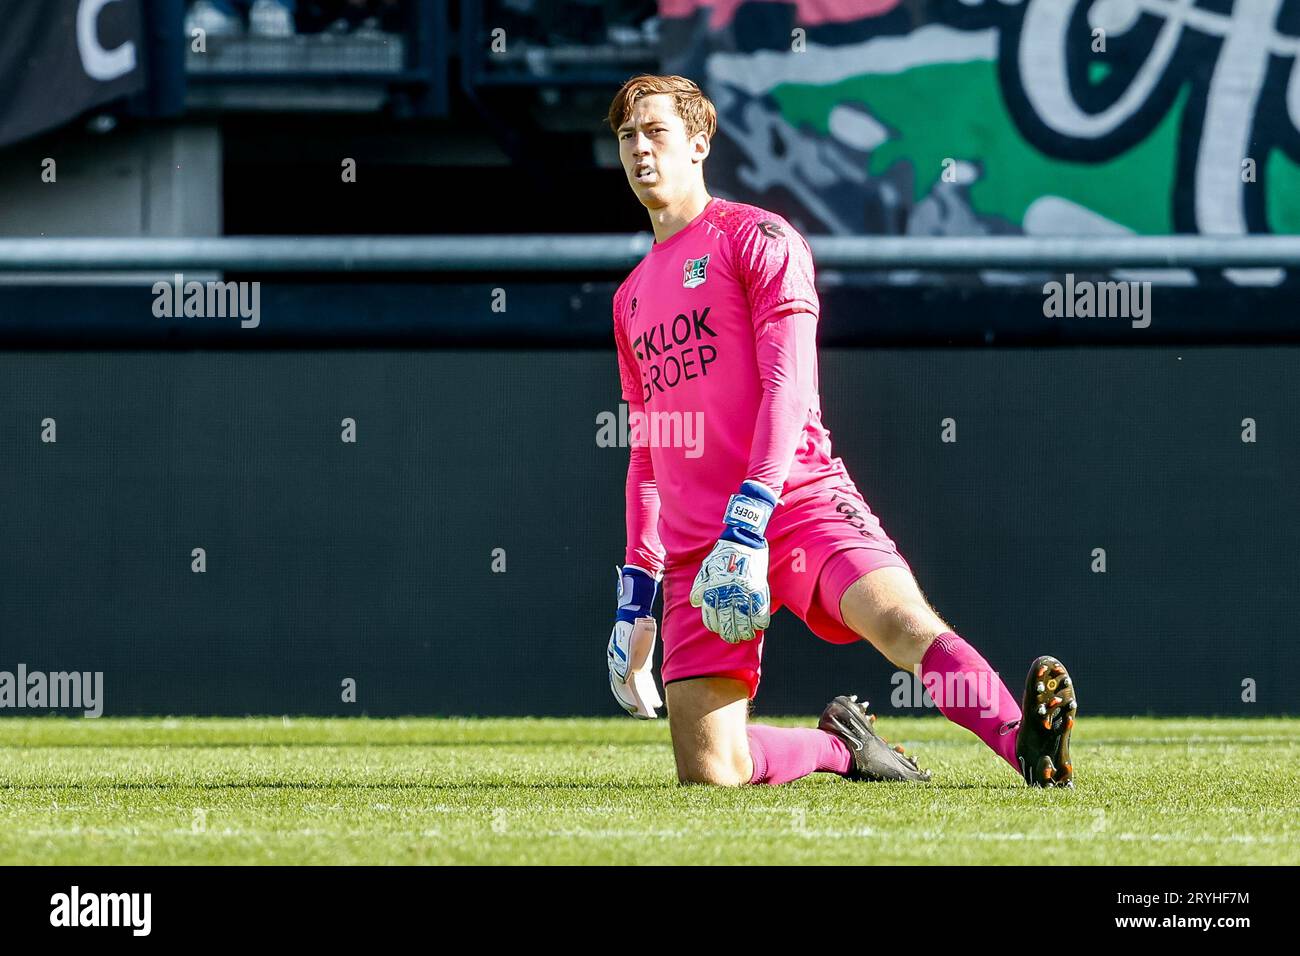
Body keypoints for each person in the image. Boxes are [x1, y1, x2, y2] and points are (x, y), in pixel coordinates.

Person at [604, 74, 1077, 788]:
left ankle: (1025, 746)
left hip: (794, 502)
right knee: (712, 773)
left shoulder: (758, 238)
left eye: (657, 132)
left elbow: (787, 386)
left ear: (699, 142)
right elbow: (646, 452)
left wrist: (753, 511)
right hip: (700, 545)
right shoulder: (631, 296)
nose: (641, 149)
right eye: (627, 136)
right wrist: (637, 590)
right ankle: (840, 748)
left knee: (902, 628)